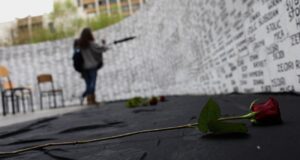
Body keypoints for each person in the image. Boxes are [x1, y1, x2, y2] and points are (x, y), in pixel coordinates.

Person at [77, 27, 108, 105]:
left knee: (88, 84)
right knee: (92, 84)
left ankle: (90, 100)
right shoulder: (91, 43)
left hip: (84, 67)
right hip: (92, 66)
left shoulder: (80, 44)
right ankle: (85, 96)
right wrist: (104, 43)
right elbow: (100, 49)